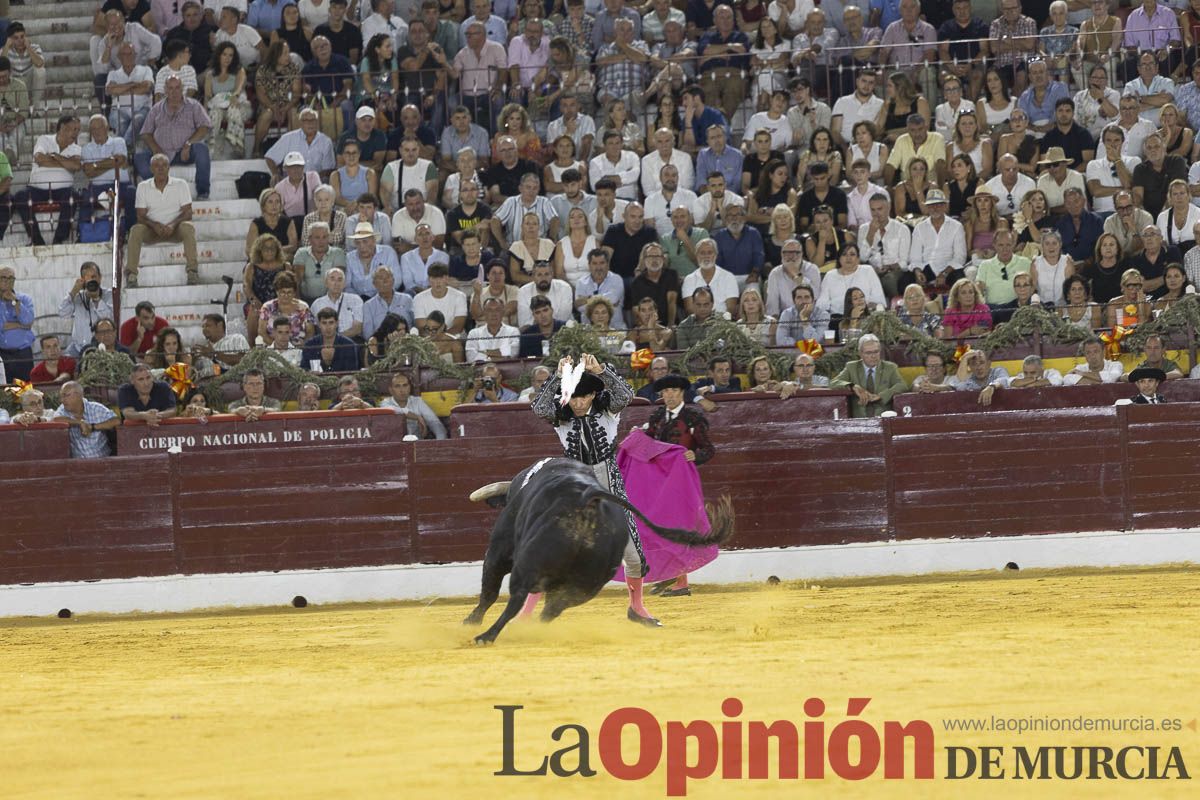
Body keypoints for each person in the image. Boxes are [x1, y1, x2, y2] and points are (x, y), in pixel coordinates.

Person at [529, 352, 660, 626]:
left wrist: (601, 371)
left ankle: (637, 607)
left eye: (583, 397)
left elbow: (625, 395)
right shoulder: (561, 417)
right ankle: (524, 613)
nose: (577, 403)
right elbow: (540, 408)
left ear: (591, 396)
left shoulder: (608, 411)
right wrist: (557, 376)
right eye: (573, 397)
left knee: (634, 554)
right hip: (576, 489)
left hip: (610, 487)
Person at [634, 371, 718, 598]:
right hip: (658, 483)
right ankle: (670, 575)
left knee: (680, 528)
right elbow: (647, 445)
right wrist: (637, 436)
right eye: (665, 391)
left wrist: (694, 455)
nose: (669, 395)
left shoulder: (693, 418)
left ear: (682, 393)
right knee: (660, 529)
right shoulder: (657, 417)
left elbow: (709, 449)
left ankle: (681, 582)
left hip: (682, 484)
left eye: (674, 391)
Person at [125, 153, 198, 288]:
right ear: (151, 169)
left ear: (169, 168)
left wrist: (173, 224)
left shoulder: (180, 184)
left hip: (175, 229)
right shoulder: (143, 186)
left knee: (188, 227)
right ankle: (131, 274)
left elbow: (188, 212)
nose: (161, 169)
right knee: (135, 230)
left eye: (164, 165)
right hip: (152, 231)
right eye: (157, 166)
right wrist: (154, 225)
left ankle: (192, 271)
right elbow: (140, 216)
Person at [830, 333, 905, 417]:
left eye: (876, 352)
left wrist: (881, 396)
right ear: (860, 353)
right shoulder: (851, 367)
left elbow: (902, 385)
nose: (873, 356)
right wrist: (853, 386)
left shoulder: (890, 367)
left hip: (884, 418)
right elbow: (833, 383)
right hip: (858, 419)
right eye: (868, 353)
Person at [55, 381, 119, 459]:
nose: (62, 400)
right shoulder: (63, 409)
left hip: (103, 460)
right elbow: (55, 420)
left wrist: (92, 427)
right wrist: (80, 423)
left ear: (79, 395)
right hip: (78, 465)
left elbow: (116, 421)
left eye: (65, 396)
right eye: (61, 396)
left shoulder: (95, 408)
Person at [380, 371, 447, 438]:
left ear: (409, 388)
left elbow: (435, 423)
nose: (402, 390)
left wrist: (440, 442)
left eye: (405, 385)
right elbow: (392, 410)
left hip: (417, 446)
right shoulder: (385, 403)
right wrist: (416, 417)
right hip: (395, 446)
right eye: (397, 386)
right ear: (391, 390)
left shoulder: (417, 401)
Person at [0, 265, 34, 382]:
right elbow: (2, 326)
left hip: (22, 353)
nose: (7, 282)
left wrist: (15, 302)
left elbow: (28, 321)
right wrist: (20, 325)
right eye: (4, 278)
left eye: (11, 278)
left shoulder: (24, 299)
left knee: (25, 390)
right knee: (4, 390)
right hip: (2, 354)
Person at [303, 307, 359, 371]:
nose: (328, 327)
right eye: (324, 323)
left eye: (331, 322)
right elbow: (304, 370)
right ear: (318, 324)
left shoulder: (349, 345)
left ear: (337, 323)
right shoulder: (309, 345)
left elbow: (352, 372)